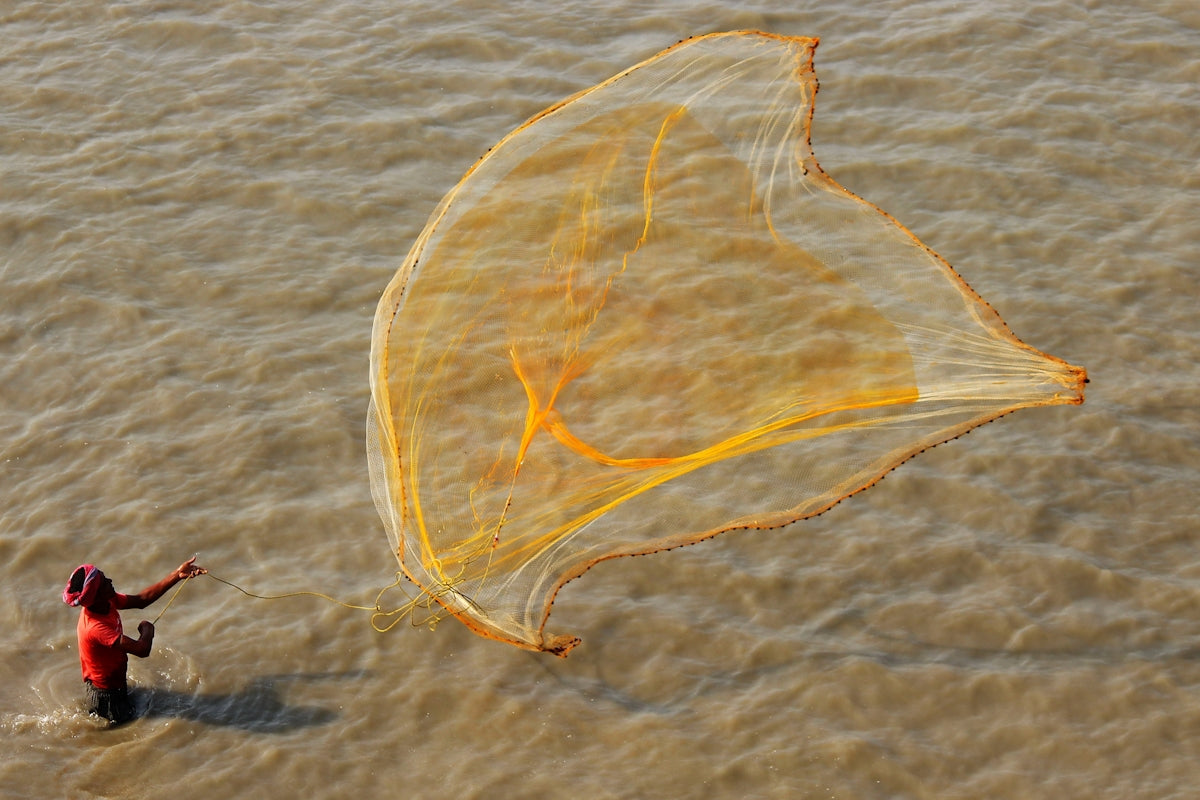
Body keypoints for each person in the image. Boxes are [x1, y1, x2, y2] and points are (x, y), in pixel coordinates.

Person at [62, 557, 207, 726]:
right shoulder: (95, 627)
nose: (110, 581)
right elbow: (142, 649)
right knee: (117, 733)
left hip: (116, 684)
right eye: (104, 582)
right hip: (106, 695)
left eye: (105, 577)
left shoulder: (107, 601)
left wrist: (177, 574)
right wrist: (147, 630)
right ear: (97, 595)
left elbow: (141, 600)